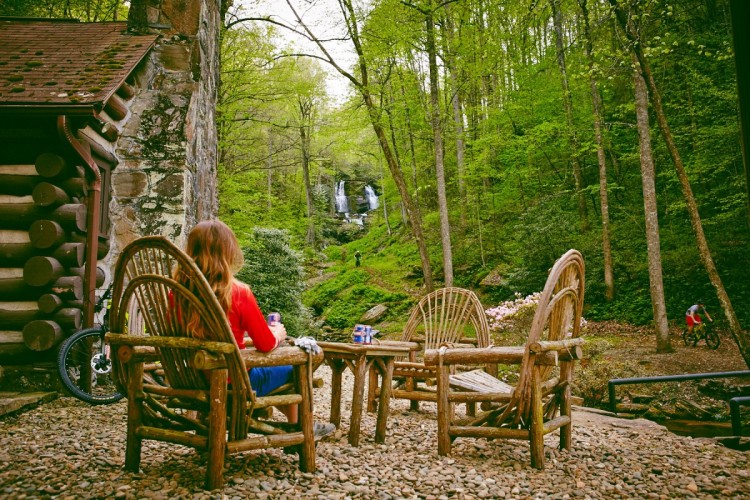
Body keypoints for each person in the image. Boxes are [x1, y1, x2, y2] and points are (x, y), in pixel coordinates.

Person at [175, 219, 334, 440]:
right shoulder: (238, 292)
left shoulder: (177, 293)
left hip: (192, 378)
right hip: (235, 383)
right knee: (297, 366)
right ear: (227, 252)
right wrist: (277, 334)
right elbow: (265, 344)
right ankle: (298, 431)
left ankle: (291, 426)